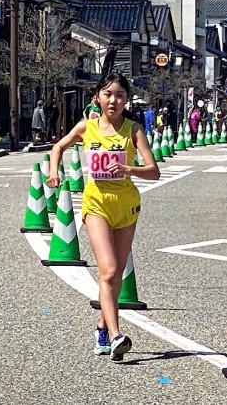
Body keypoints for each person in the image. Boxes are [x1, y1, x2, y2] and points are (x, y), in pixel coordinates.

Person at [46, 73, 160, 361]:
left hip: (126, 204)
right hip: (96, 202)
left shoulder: (134, 130)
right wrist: (53, 173)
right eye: (108, 94)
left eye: (120, 95)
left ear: (126, 100)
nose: (114, 100)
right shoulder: (88, 127)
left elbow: (154, 170)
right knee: (107, 270)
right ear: (97, 96)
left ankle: (101, 327)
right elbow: (59, 146)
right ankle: (115, 335)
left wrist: (129, 170)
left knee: (116, 273)